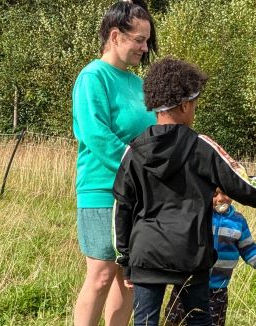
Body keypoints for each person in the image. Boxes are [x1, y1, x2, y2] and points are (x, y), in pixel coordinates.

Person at [112, 56, 256, 326]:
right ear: (184, 105)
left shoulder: (133, 149)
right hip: (190, 254)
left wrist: (125, 258)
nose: (194, 110)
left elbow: (122, 207)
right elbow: (244, 185)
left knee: (145, 322)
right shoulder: (202, 147)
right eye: (194, 103)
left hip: (146, 255)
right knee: (198, 321)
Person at [71, 1, 158, 325]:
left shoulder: (138, 84)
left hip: (138, 193)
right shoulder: (93, 76)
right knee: (102, 273)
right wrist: (138, 166)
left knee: (128, 274)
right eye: (138, 39)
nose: (144, 47)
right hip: (102, 189)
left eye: (146, 40)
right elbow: (95, 132)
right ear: (115, 35)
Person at [164, 188, 256, 326]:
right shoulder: (197, 216)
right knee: (175, 322)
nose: (221, 199)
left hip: (218, 290)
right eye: (214, 194)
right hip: (188, 285)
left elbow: (249, 249)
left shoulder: (238, 221)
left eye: (226, 193)